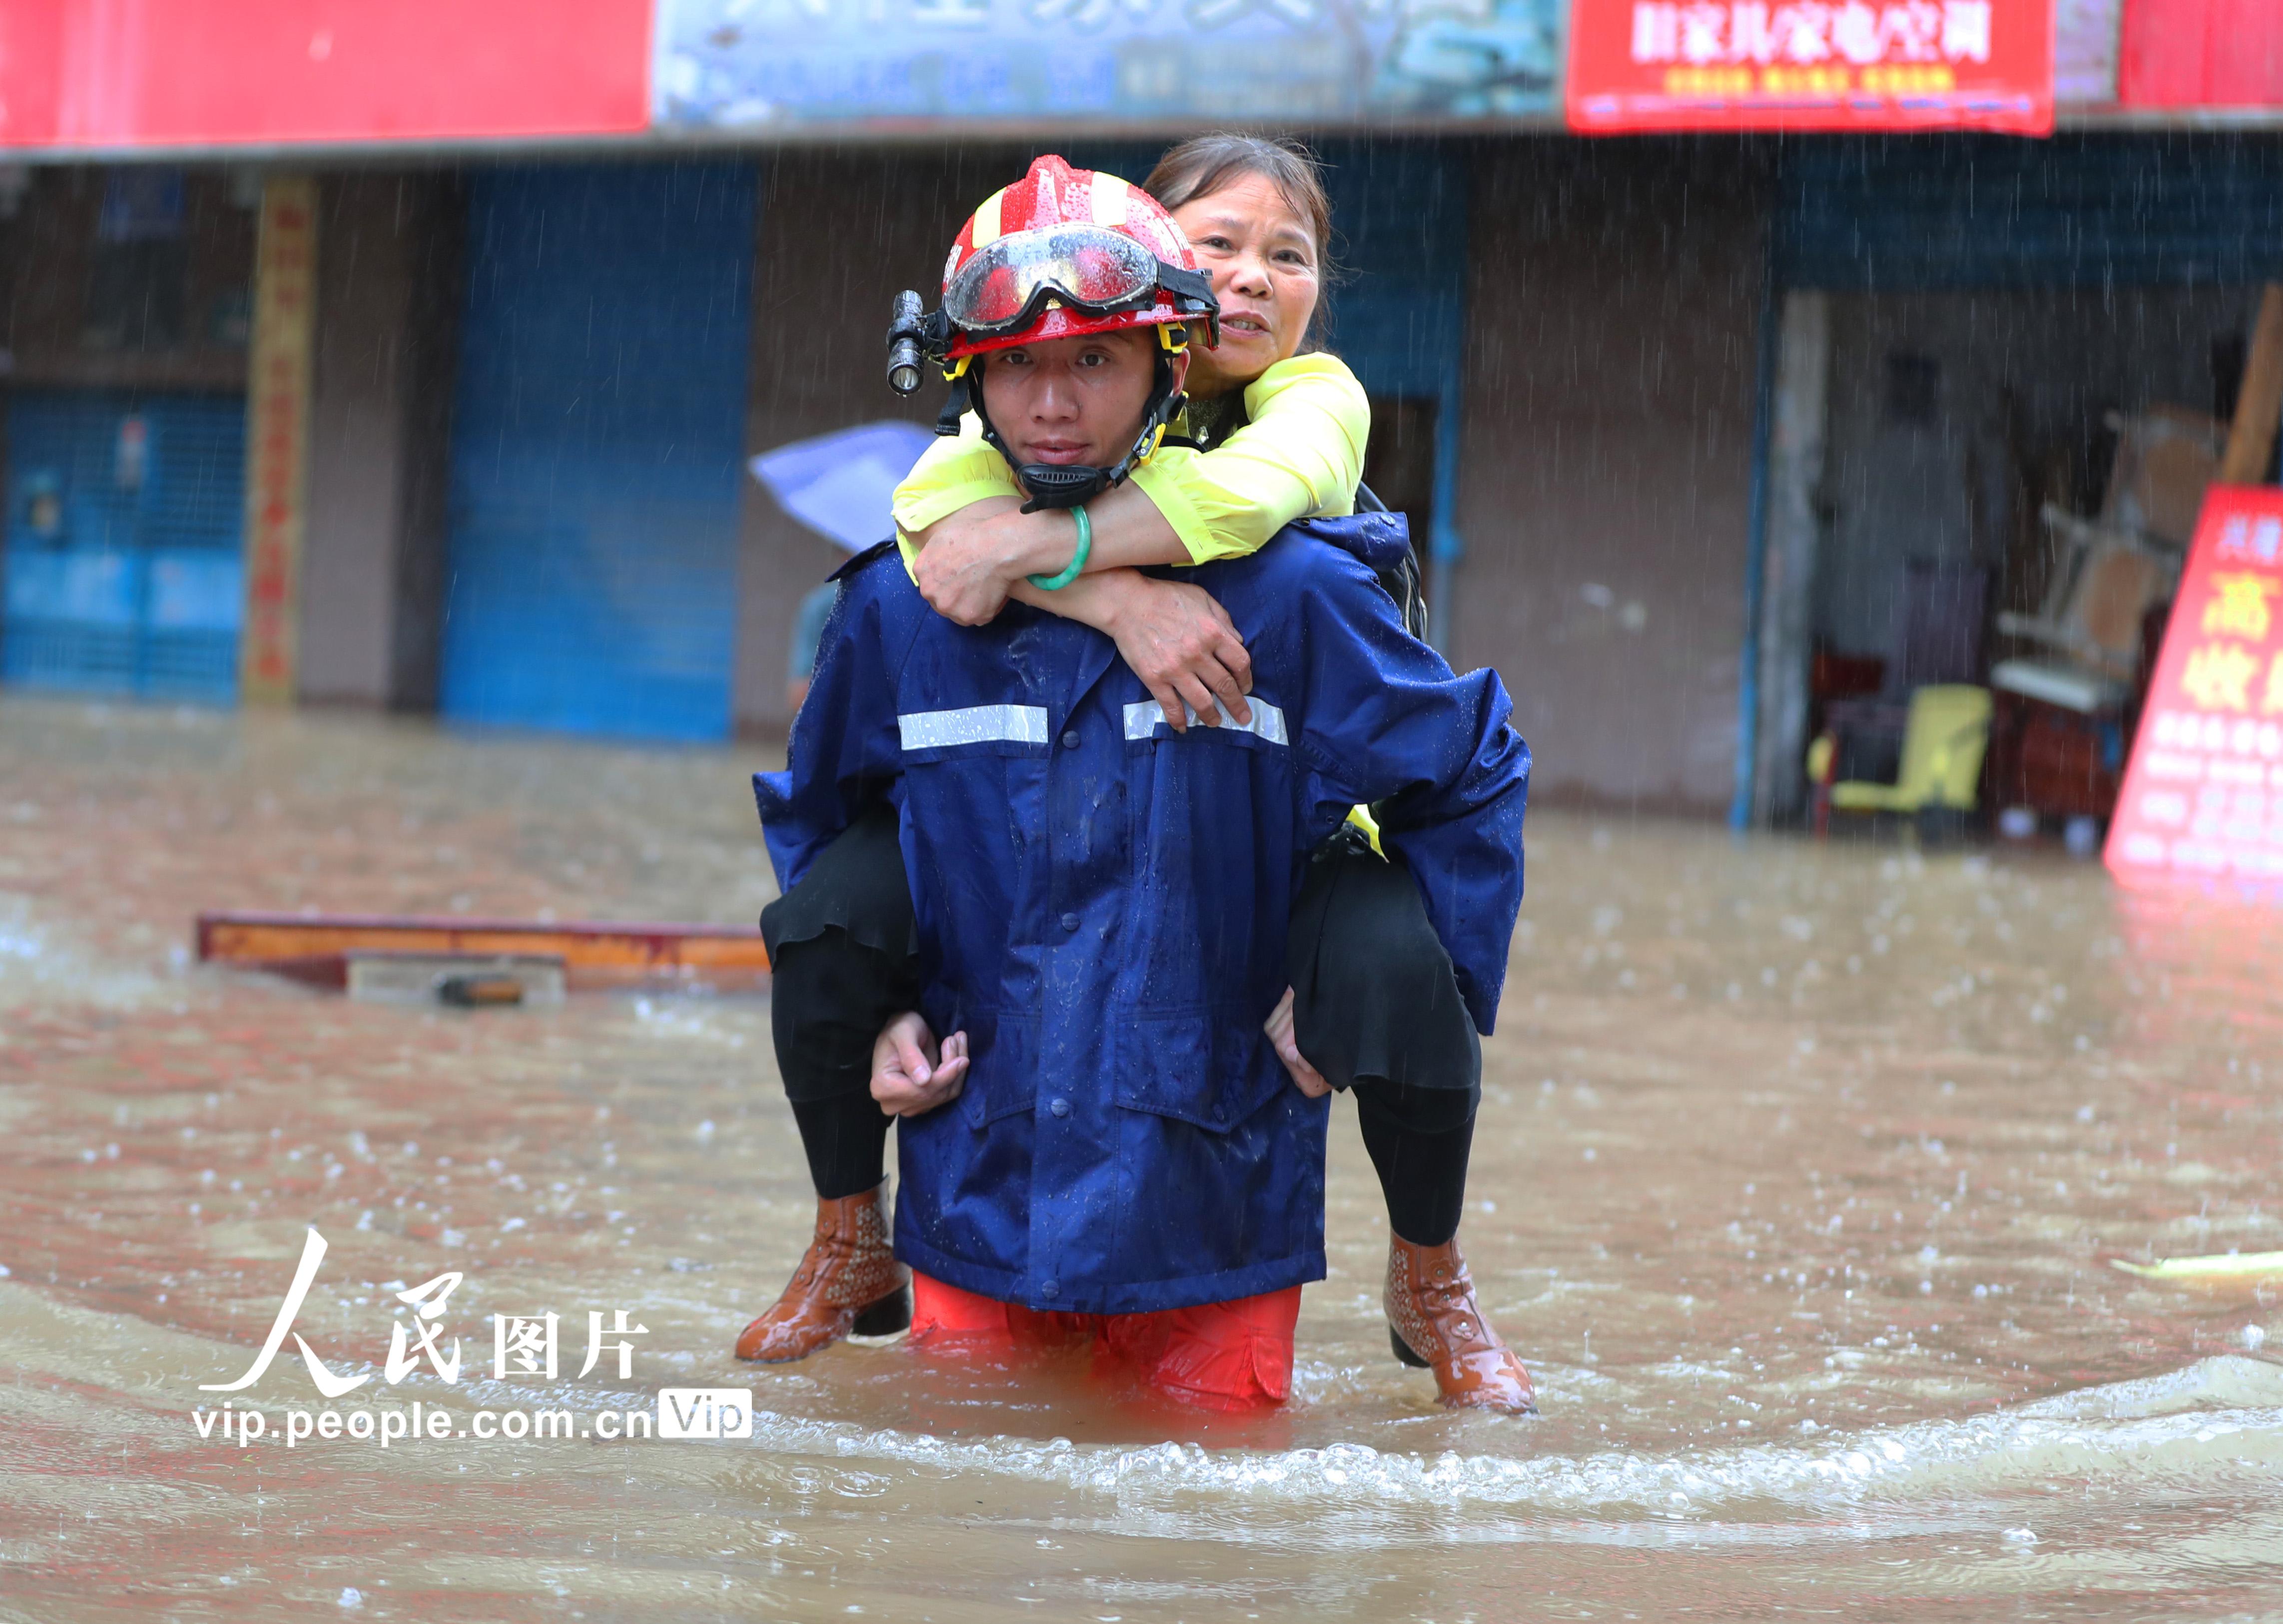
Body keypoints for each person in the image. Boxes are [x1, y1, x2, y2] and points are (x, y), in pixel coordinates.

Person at [743, 153, 1536, 1412]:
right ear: (970, 380)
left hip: (1212, 1176)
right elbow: (824, 808)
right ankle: (850, 1234)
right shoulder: (910, 591)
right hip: (977, 1171)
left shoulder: (1299, 576)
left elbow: (1470, 772)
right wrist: (873, 1015)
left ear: (1171, 358)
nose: (1052, 403)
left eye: (1094, 362)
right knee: (826, 910)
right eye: (1018, 366)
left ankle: (1428, 1269)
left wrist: (1333, 997)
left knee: (1392, 951)